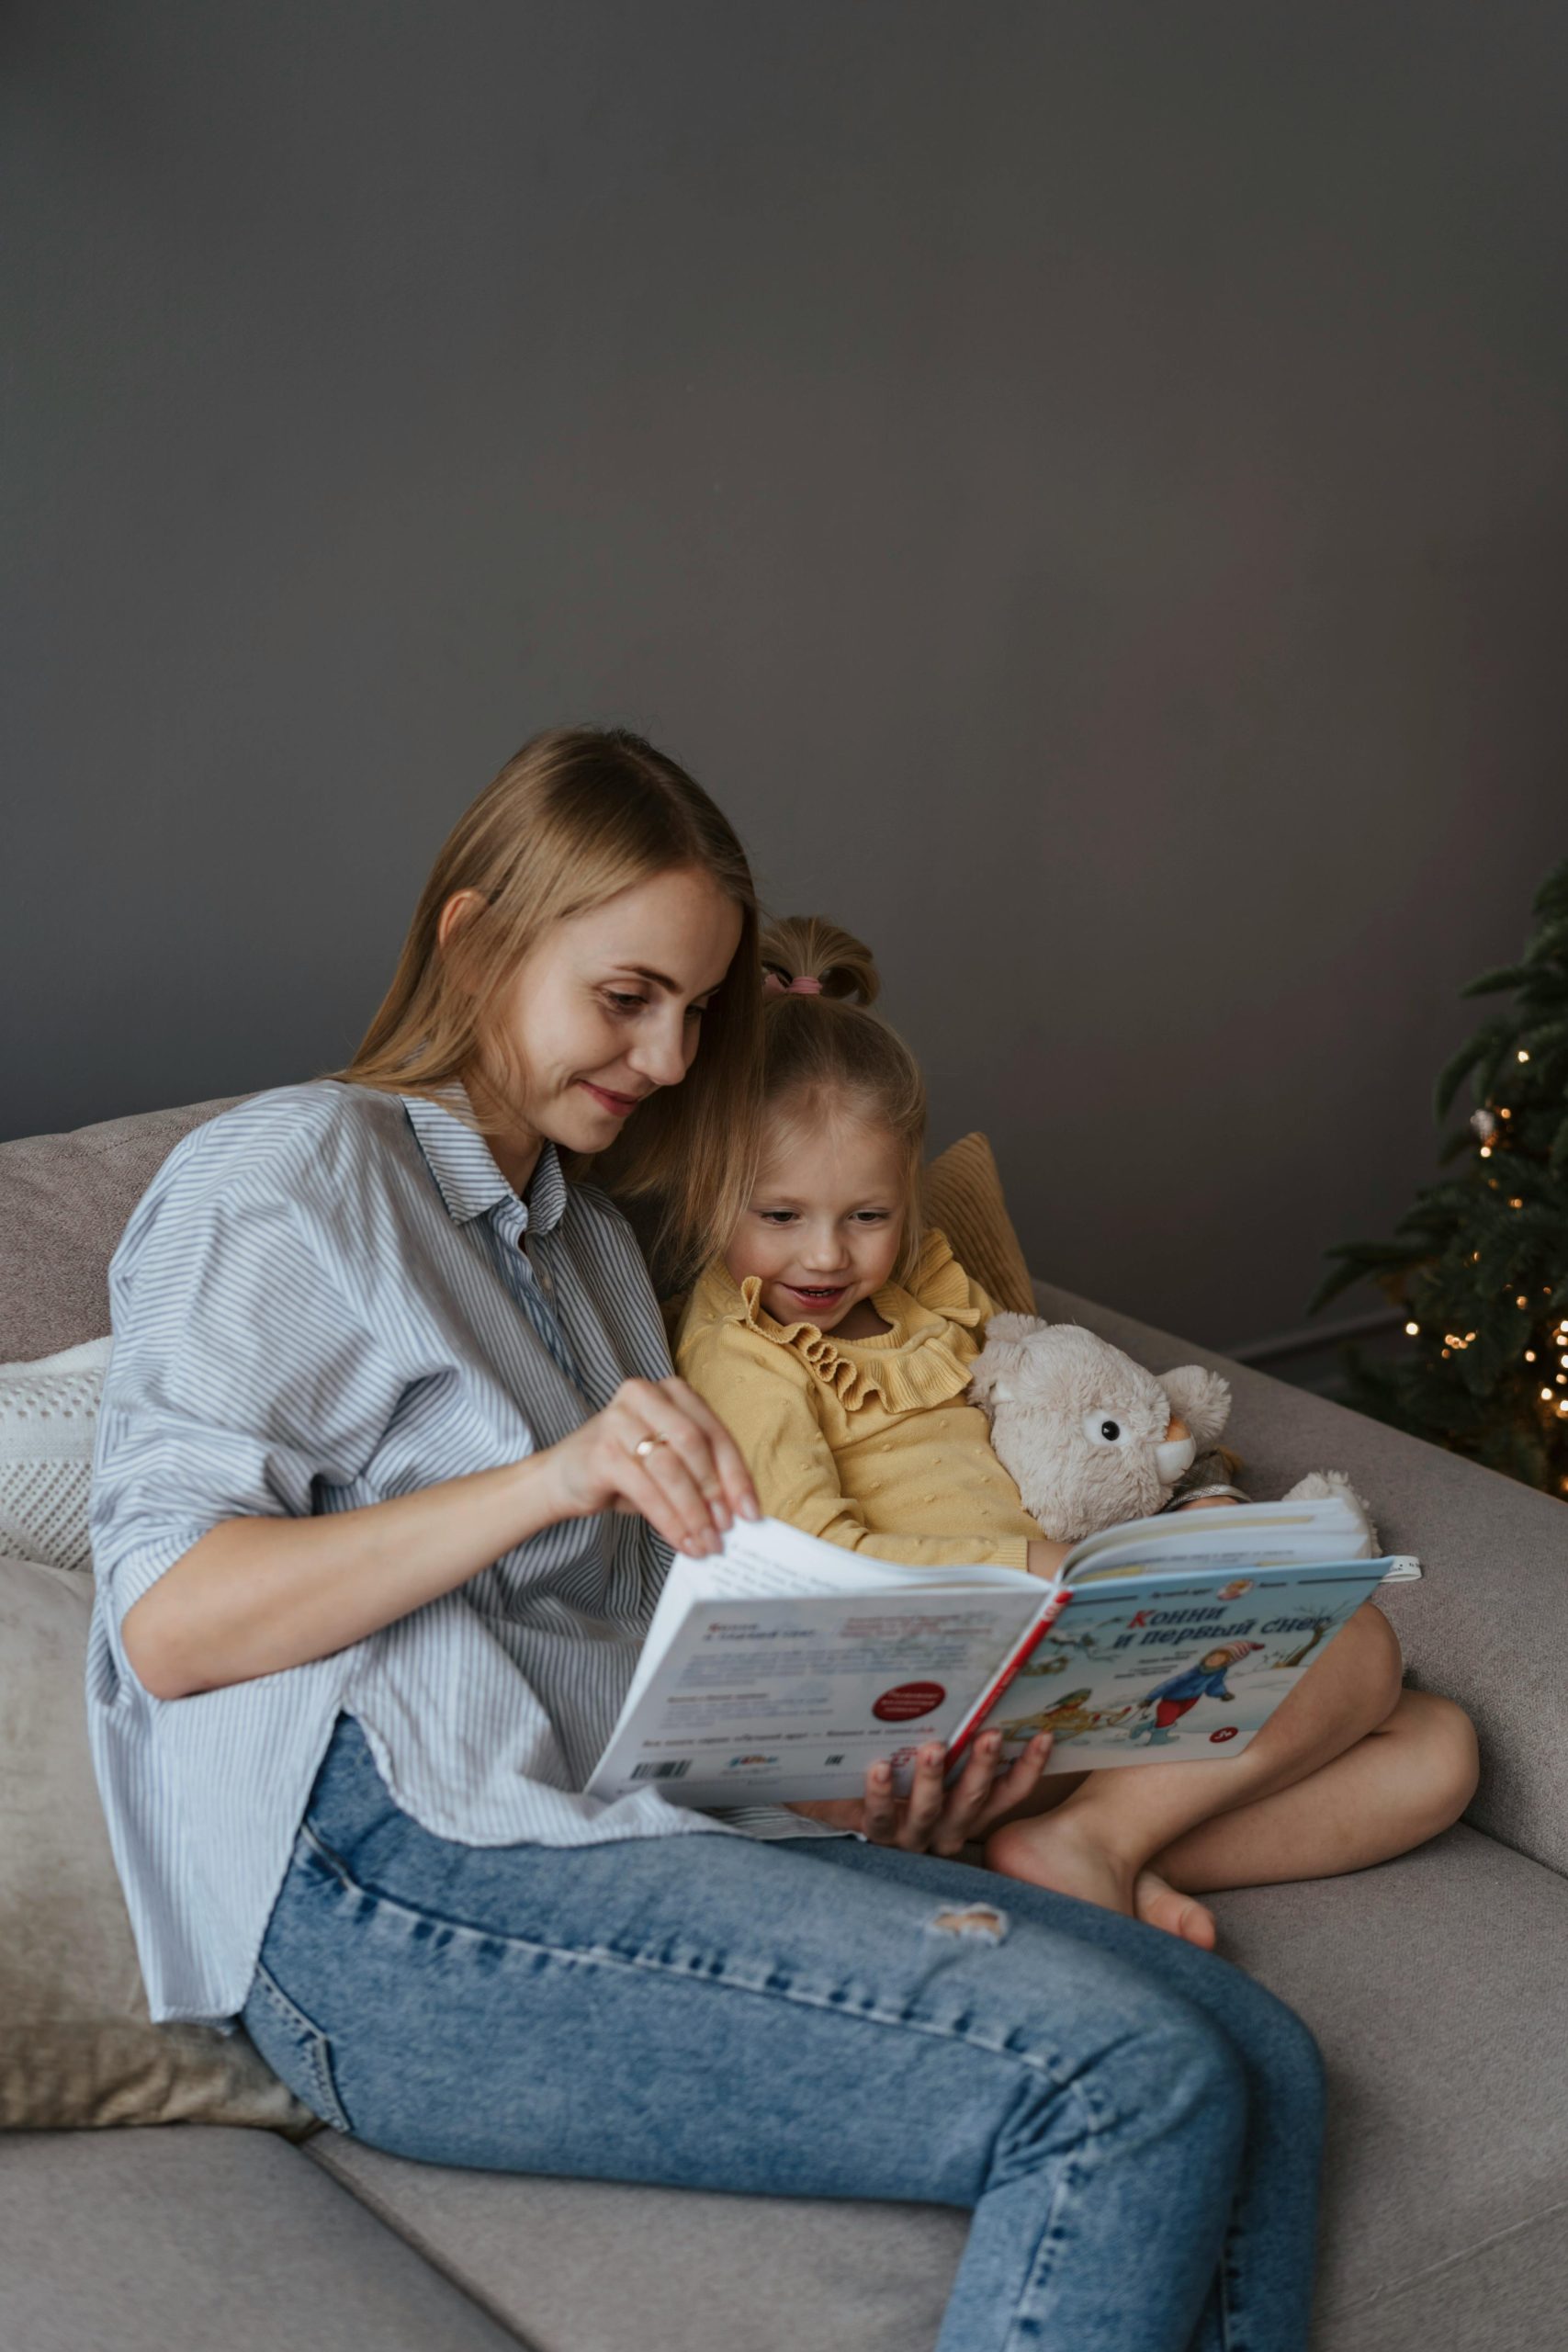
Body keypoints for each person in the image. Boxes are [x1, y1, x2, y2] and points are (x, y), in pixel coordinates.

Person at [89, 729, 1325, 2352]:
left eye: (695, 1012)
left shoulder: (597, 1257)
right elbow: (171, 1622)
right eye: (627, 999)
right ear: (474, 940)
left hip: (616, 1832)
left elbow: (643, 1663)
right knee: (1125, 2075)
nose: (671, 1061)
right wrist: (553, 1478)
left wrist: (862, 1779)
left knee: (1261, 2058)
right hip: (386, 1889)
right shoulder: (296, 1174)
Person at [674, 915, 1480, 1945]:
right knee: (1359, 1653)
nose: (826, 1256)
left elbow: (1056, 1410)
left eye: (866, 1216)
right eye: (779, 1215)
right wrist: (1035, 1563)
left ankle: (1101, 1846)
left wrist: (1192, 1514)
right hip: (938, 1695)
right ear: (711, 1183)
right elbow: (806, 1557)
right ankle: (1085, 1846)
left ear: (906, 1190)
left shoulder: (930, 1284)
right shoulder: (744, 1344)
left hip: (1057, 1663)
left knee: (1437, 1745)